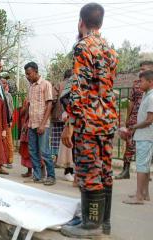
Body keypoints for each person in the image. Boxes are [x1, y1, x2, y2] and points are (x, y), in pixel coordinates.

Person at [61, 3, 118, 238]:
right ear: (101, 23)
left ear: (80, 22)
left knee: (88, 170)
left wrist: (70, 123)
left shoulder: (83, 47)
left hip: (88, 120)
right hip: (108, 119)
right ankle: (104, 222)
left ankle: (90, 225)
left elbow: (80, 87)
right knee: (105, 169)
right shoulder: (110, 50)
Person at [116, 61, 153, 179]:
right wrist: (127, 118)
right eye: (140, 69)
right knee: (129, 144)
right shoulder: (137, 83)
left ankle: (146, 173)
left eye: (144, 69)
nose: (141, 71)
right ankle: (125, 170)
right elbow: (131, 101)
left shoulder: (150, 83)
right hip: (135, 118)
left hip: (149, 118)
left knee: (148, 145)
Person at [123, 70, 153, 205]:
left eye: (142, 81)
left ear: (150, 82)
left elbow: (149, 120)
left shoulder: (152, 97)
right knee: (144, 166)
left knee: (141, 166)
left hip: (146, 136)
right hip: (144, 135)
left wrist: (134, 127)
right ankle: (144, 194)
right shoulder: (147, 95)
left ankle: (139, 196)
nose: (139, 83)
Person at [25, 62, 56, 186]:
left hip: (42, 124)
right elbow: (30, 106)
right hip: (32, 124)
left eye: (29, 74)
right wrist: (26, 124)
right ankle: (37, 176)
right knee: (32, 151)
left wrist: (43, 124)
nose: (27, 76)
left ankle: (51, 176)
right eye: (26, 74)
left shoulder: (46, 84)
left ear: (36, 71)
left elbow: (49, 104)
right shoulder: (31, 87)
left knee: (44, 151)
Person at [52, 69, 74, 182]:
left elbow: (54, 99)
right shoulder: (75, 83)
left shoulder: (59, 85)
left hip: (59, 117)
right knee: (68, 145)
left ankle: (61, 163)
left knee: (61, 143)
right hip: (69, 117)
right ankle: (68, 170)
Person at [1, 78, 14, 169]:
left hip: (7, 122)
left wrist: (11, 120)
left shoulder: (9, 95)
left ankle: (10, 161)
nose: (3, 84)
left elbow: (11, 109)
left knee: (9, 142)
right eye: (2, 82)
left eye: (5, 83)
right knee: (1, 142)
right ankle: (1, 160)